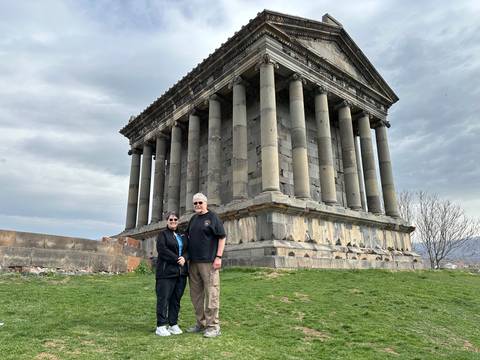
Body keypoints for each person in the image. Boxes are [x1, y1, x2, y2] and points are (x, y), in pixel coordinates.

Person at [186, 192, 226, 338]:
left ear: (206, 203)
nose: (197, 205)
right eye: (195, 203)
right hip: (193, 263)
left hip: (209, 262)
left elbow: (222, 237)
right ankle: (200, 323)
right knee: (196, 296)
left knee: (212, 294)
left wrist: (219, 257)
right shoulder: (193, 219)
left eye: (200, 202)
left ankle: (213, 326)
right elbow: (188, 237)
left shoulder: (213, 217)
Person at [155, 211, 188, 336]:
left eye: (175, 219)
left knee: (176, 299)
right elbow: (162, 250)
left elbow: (188, 249)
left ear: (178, 221)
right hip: (166, 272)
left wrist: (184, 257)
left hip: (181, 273)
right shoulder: (162, 235)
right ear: (167, 221)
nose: (173, 221)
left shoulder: (182, 234)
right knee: (163, 299)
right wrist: (176, 259)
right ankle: (161, 325)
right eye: (170, 220)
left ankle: (173, 324)